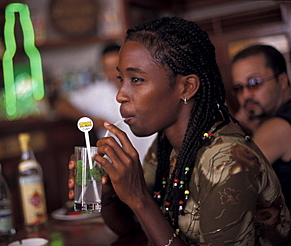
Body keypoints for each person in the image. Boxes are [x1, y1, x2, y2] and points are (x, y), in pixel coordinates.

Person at [67, 17, 290, 245]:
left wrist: (138, 197)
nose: (120, 95)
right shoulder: (166, 147)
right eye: (121, 79)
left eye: (136, 79)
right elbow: (133, 227)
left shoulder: (228, 162)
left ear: (187, 87)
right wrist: (109, 195)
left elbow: (143, 212)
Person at [56, 43, 156, 163]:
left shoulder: (146, 88)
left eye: (115, 67)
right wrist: (90, 120)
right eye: (107, 68)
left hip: (153, 164)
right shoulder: (99, 92)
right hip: (117, 168)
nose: (112, 74)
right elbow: (60, 104)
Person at [231, 44, 291, 211]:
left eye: (254, 83)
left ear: (283, 80)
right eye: (238, 88)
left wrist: (234, 129)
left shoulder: (277, 126)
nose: (246, 95)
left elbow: (231, 184)